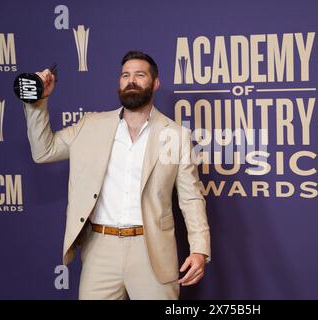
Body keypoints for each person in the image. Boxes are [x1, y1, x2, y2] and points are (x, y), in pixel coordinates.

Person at [23, 50, 211, 300]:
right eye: (125, 75)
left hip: (151, 249)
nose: (131, 80)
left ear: (155, 83)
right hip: (100, 249)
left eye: (139, 75)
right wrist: (37, 101)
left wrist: (199, 249)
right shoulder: (90, 125)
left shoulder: (175, 135)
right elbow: (43, 151)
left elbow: (191, 198)